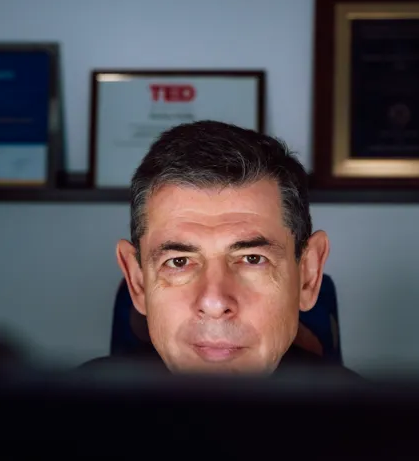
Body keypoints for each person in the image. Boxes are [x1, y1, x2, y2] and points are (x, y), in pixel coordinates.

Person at [82, 120, 358, 378]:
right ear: (138, 281)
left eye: (252, 259)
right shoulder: (53, 422)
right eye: (178, 262)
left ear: (308, 276)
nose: (214, 303)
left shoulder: (386, 426)